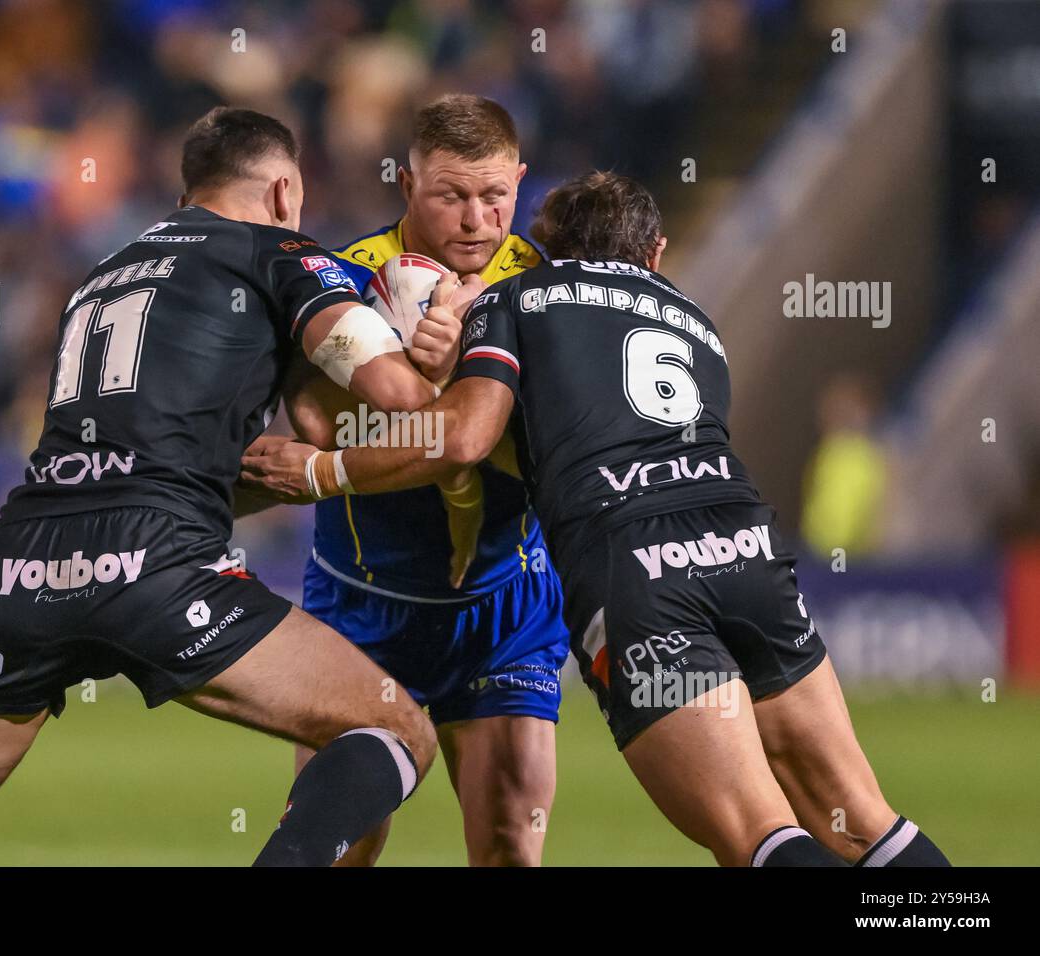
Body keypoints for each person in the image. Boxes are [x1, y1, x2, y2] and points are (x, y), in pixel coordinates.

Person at [244, 171, 951, 867]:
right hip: (746, 547)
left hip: (636, 570)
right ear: (657, 251)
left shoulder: (516, 297)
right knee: (864, 823)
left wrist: (323, 467)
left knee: (759, 835)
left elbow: (464, 439)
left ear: (544, 248)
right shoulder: (695, 320)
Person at [0, 107, 471, 868]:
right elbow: (396, 398)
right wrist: (439, 340)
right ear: (282, 192)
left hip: (22, 557)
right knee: (392, 729)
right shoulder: (283, 251)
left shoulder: (100, 277)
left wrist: (292, 465)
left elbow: (152, 450)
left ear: (185, 197)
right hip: (155, 560)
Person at [277, 95, 570, 866]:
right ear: (407, 187)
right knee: (338, 849)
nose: (477, 219)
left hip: (504, 609)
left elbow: (557, 439)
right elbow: (312, 421)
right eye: (451, 195)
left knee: (510, 846)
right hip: (362, 608)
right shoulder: (343, 278)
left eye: (495, 196)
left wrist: (469, 372)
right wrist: (412, 377)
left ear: (520, 184)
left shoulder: (543, 286)